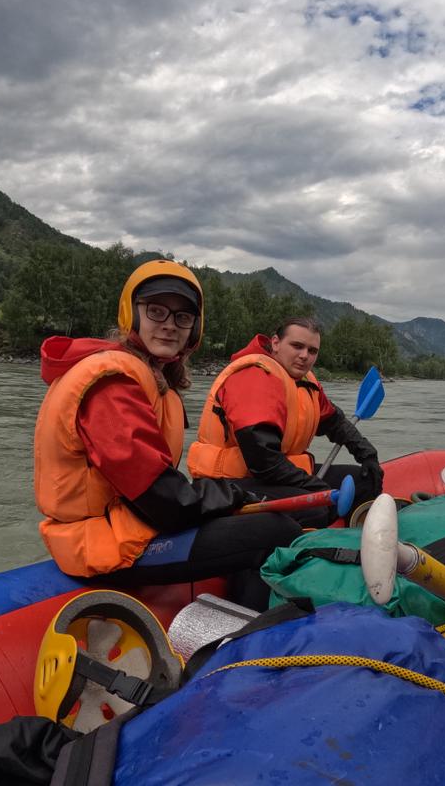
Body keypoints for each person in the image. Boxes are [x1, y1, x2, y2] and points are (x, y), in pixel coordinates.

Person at [33, 260, 302, 610]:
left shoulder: (146, 376)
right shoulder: (111, 385)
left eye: (182, 318)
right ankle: (248, 643)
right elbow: (162, 501)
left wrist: (230, 496)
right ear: (133, 314)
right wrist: (228, 494)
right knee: (277, 532)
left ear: (194, 329)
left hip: (128, 525)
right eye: (156, 311)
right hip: (103, 545)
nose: (169, 326)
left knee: (255, 507)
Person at [186, 316, 383, 518]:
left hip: (274, 477)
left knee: (366, 481)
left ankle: (351, 532)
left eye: (312, 350)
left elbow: (335, 423)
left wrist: (367, 454)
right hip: (229, 484)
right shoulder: (253, 376)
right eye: (297, 346)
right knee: (315, 508)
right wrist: (315, 486)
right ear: (276, 343)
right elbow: (263, 460)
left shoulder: (305, 382)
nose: (304, 356)